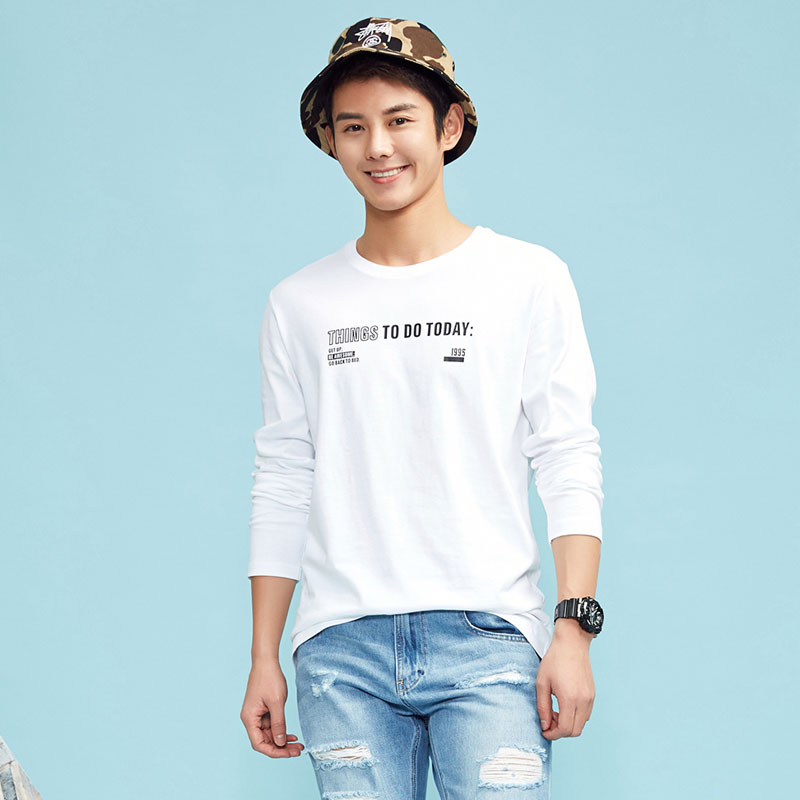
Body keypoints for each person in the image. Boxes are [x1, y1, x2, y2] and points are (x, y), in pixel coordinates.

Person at [240, 16, 605, 799]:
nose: (378, 147)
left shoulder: (526, 279)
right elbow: (283, 477)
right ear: (330, 141)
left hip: (489, 638)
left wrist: (572, 629)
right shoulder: (299, 302)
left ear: (449, 126)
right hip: (340, 650)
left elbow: (566, 453)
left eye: (399, 119)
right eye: (352, 126)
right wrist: (263, 654)